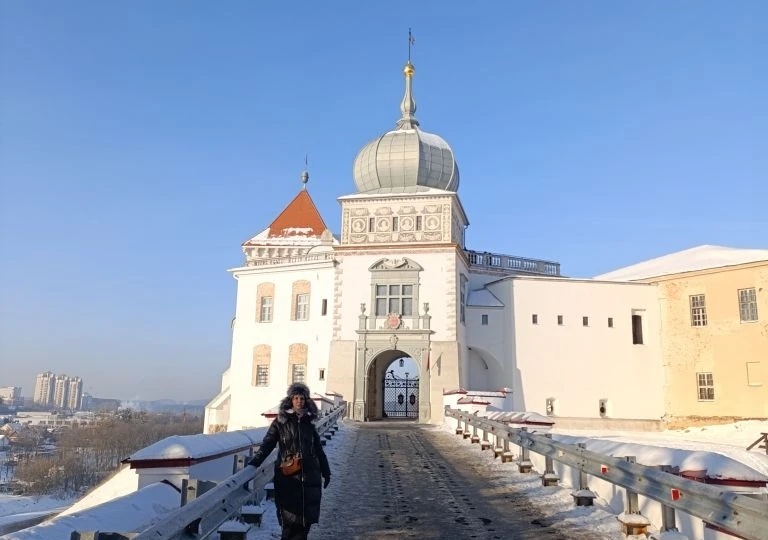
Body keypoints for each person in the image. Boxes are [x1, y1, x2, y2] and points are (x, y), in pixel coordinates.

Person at [248, 383, 331, 540]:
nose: (299, 401)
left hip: (309, 478)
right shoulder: (281, 422)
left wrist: (326, 472)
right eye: (296, 398)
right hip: (288, 478)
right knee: (289, 525)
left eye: (302, 398)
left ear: (306, 401)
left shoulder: (309, 423)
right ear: (290, 400)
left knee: (304, 526)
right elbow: (268, 443)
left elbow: (318, 450)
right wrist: (255, 462)